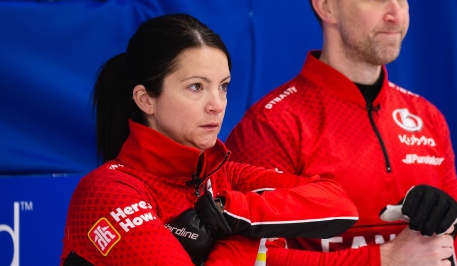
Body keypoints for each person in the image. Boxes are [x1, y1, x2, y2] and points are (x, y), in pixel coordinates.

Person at [225, 0, 457, 266]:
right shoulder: (272, 125)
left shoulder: (425, 116)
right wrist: (383, 258)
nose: (396, 15)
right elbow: (253, 260)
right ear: (326, 6)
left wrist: (449, 227)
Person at [60, 13, 359, 265]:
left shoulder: (224, 177)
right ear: (145, 100)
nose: (217, 104)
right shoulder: (107, 191)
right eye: (196, 87)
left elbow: (339, 203)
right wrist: (246, 237)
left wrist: (233, 214)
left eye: (224, 87)